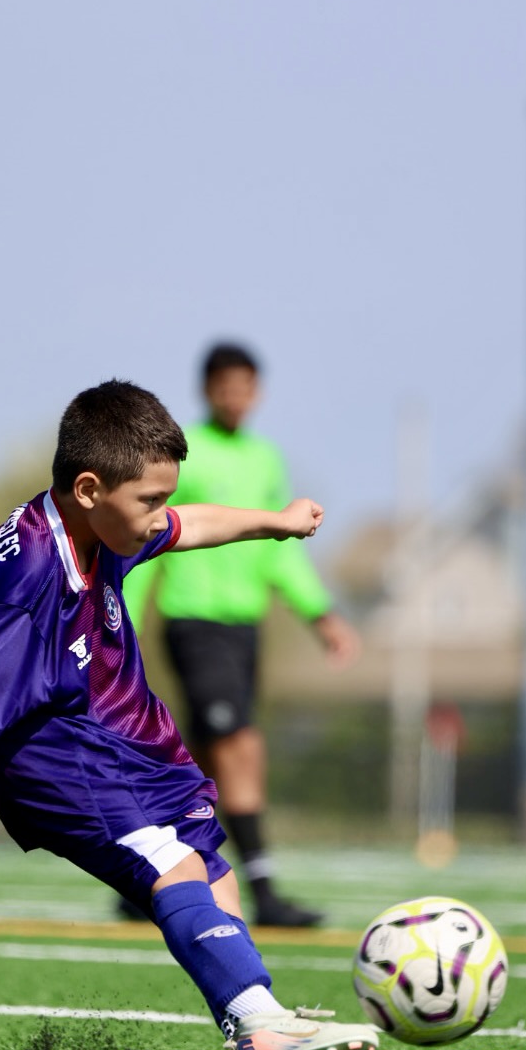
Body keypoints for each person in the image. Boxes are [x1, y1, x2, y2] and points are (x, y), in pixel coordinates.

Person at [0, 379, 378, 1050]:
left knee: (212, 871)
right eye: (150, 500)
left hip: (124, 736)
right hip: (52, 755)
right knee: (169, 863)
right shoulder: (26, 568)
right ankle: (263, 1027)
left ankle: (252, 1038)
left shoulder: (109, 521)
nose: (159, 516)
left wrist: (277, 520)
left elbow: (190, 526)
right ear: (88, 488)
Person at [122, 342, 359, 928]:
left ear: (257, 392)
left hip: (245, 630)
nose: (236, 395)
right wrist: (118, 610)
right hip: (194, 621)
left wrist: (320, 613)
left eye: (246, 385)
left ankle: (143, 880)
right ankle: (265, 889)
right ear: (207, 389)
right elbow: (151, 536)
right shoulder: (186, 454)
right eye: (225, 384)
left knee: (203, 760)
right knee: (241, 746)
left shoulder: (265, 460)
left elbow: (279, 549)